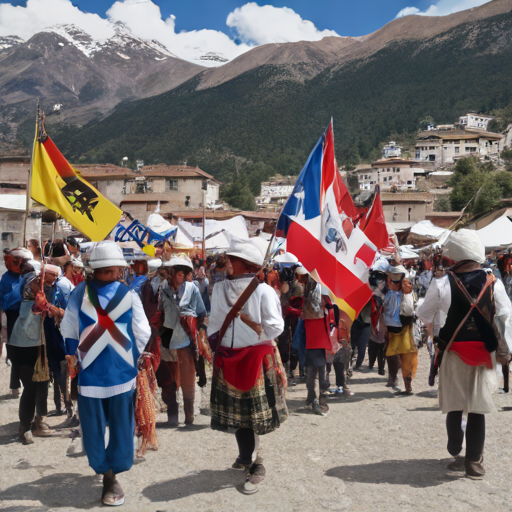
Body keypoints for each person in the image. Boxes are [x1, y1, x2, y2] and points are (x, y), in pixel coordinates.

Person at [60, 241, 151, 506]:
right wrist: (132, 357)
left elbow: (69, 329)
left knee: (97, 428)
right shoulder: (128, 294)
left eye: (116, 271)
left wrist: (73, 354)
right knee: (119, 427)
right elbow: (141, 333)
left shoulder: (80, 292)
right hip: (116, 373)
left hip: (96, 373)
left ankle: (109, 475)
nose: (115, 275)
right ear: (98, 271)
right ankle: (109, 477)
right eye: (111, 271)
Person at [418, 230, 512, 480]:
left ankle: (454, 447)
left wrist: (434, 328)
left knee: (454, 403)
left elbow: (424, 314)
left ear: (454, 256)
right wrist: (507, 349)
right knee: (477, 407)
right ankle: (474, 462)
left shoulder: (441, 282)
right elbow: (504, 315)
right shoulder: (493, 280)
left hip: (452, 351)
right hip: (484, 354)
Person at [208, 239, 286, 494]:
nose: (227, 262)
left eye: (232, 258)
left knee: (254, 415)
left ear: (246, 264)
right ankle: (244, 456)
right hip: (229, 356)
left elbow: (276, 327)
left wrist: (254, 329)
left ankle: (258, 462)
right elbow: (216, 322)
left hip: (254, 359)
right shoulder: (219, 289)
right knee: (240, 414)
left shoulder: (264, 291)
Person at [7, 264, 54, 444]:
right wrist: (36, 309)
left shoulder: (43, 299)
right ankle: (24, 427)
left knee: (42, 386)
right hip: (24, 350)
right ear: (29, 285)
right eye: (37, 282)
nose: (41, 285)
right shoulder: (27, 304)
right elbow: (27, 325)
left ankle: (38, 421)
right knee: (30, 387)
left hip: (40, 348)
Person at [157, 256, 206, 426]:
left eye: (181, 272)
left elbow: (201, 312)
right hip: (168, 335)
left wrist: (199, 332)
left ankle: (189, 413)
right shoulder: (163, 288)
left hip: (186, 336)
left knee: (187, 377)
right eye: (175, 271)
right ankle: (172, 412)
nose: (178, 275)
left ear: (185, 274)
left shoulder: (193, 288)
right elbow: (159, 311)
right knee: (168, 376)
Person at [1, 248, 33, 396]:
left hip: (30, 318)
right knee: (15, 352)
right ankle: (15, 384)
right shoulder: (6, 279)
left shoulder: (28, 276)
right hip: (14, 317)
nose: (21, 265)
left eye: (24, 262)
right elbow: (6, 301)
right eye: (17, 262)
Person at [383, 266, 418, 394]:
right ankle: (407, 386)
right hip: (407, 328)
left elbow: (387, 309)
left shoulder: (391, 294)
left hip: (394, 329)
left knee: (392, 353)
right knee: (407, 356)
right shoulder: (410, 293)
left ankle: (393, 379)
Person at [302, 271, 331, 416]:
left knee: (318, 372)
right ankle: (314, 399)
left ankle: (319, 400)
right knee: (314, 372)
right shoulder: (309, 292)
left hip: (321, 339)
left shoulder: (324, 294)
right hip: (313, 339)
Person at [368, 271, 387, 376]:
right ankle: (375, 365)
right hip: (377, 321)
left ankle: (380, 367)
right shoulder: (375, 295)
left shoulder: (382, 294)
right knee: (377, 345)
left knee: (379, 345)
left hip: (380, 322)